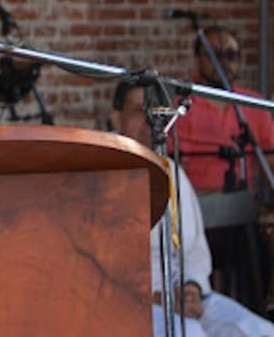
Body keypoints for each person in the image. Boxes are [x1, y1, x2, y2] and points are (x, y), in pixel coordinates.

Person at [111, 80, 274, 337]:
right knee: (191, 333)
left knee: (261, 332)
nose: (148, 121)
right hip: (134, 302)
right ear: (116, 117)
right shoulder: (101, 175)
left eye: (155, 112)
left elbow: (196, 249)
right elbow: (103, 264)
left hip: (186, 296)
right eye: (139, 111)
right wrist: (159, 297)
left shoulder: (172, 172)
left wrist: (192, 288)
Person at [174, 26, 274, 193]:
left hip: (243, 205)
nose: (224, 63)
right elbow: (175, 168)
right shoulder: (180, 104)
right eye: (215, 55)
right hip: (196, 204)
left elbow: (270, 161)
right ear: (198, 58)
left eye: (231, 55)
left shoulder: (253, 104)